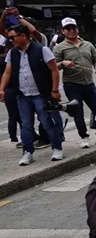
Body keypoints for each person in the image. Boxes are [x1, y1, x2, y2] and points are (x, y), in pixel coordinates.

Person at [0, 24, 64, 164]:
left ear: (23, 36)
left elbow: (54, 70)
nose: (11, 40)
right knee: (26, 124)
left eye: (13, 37)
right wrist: (2, 89)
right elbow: (8, 72)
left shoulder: (42, 50)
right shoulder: (12, 53)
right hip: (23, 94)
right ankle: (27, 152)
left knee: (47, 122)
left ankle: (57, 148)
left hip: (41, 94)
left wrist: (54, 90)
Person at [53, 18, 96, 148]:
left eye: (74, 28)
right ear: (63, 31)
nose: (72, 31)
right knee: (77, 111)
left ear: (77, 29)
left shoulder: (88, 45)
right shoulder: (59, 48)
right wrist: (63, 63)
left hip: (89, 83)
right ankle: (84, 137)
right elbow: (53, 66)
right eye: (68, 29)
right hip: (72, 84)